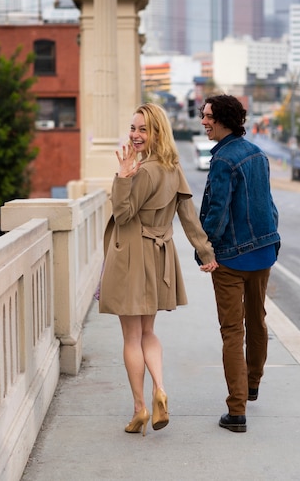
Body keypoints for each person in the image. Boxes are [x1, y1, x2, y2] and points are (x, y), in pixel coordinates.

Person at [99, 103, 218, 437]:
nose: (135, 135)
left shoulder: (144, 171)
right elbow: (188, 214)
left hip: (132, 255)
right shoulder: (172, 167)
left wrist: (123, 177)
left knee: (131, 337)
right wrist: (204, 250)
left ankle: (140, 409)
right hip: (159, 254)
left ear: (156, 132)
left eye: (143, 129)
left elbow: (123, 214)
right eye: (133, 128)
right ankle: (160, 388)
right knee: (148, 332)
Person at [198, 95, 281, 433]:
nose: (203, 122)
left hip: (231, 257)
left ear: (222, 120)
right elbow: (268, 204)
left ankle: (236, 412)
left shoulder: (222, 161)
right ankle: (253, 384)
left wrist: (205, 250)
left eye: (207, 117)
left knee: (233, 330)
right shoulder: (258, 154)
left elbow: (217, 212)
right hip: (263, 251)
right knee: (257, 318)